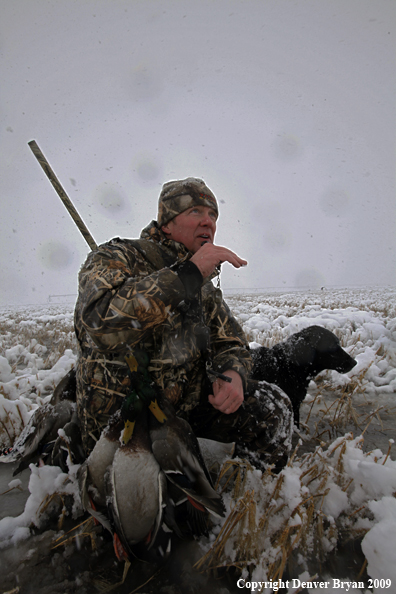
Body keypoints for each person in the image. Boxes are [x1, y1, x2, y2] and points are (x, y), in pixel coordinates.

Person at [74, 177, 293, 469]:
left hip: (183, 410)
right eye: (195, 212)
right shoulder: (117, 256)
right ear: (166, 224)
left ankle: (245, 497)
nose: (208, 222)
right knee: (142, 499)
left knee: (271, 407)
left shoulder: (203, 285)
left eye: (212, 215)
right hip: (124, 417)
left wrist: (234, 374)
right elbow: (99, 321)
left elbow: (230, 341)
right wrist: (186, 275)